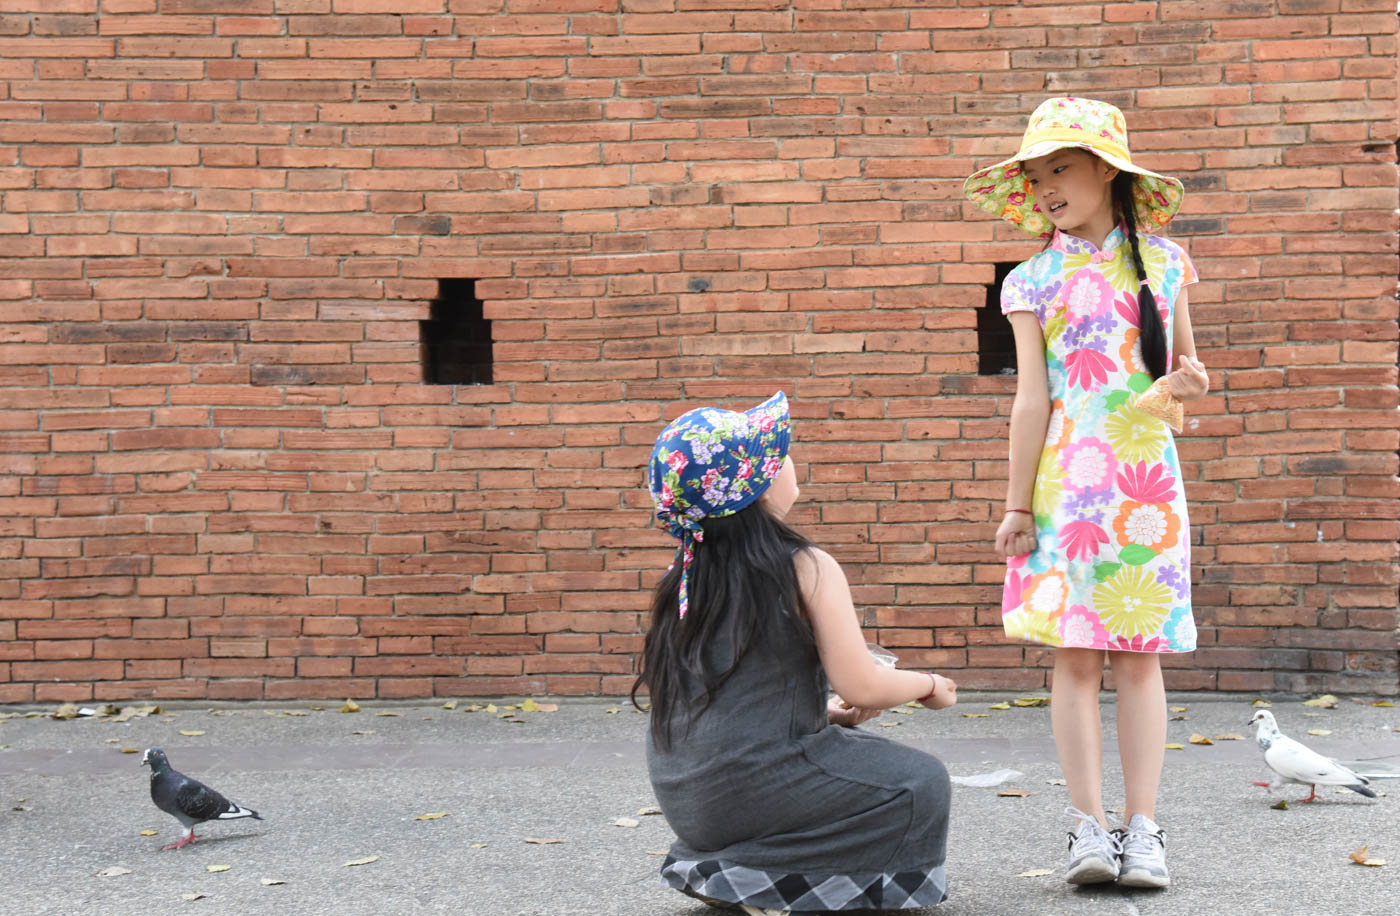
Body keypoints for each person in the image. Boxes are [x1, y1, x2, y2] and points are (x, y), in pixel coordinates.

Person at [963, 97, 1211, 889]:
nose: (1045, 187)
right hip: (1065, 489)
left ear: (1106, 170)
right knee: (1074, 658)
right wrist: (1015, 505)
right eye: (1035, 176)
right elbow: (1030, 400)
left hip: (1145, 487)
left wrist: (1185, 386)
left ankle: (1145, 830)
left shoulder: (1167, 265)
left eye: (1060, 169)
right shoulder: (1031, 281)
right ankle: (1089, 829)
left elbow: (1180, 383)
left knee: (1139, 660)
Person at [634, 392, 957, 915]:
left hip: (687, 799)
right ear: (755, 485)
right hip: (754, 787)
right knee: (921, 784)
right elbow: (863, 684)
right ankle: (759, 878)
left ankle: (728, 869)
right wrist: (930, 686)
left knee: (852, 752)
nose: (788, 461)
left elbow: (722, 699)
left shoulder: (685, 575)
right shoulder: (805, 565)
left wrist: (822, 713)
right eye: (777, 455)